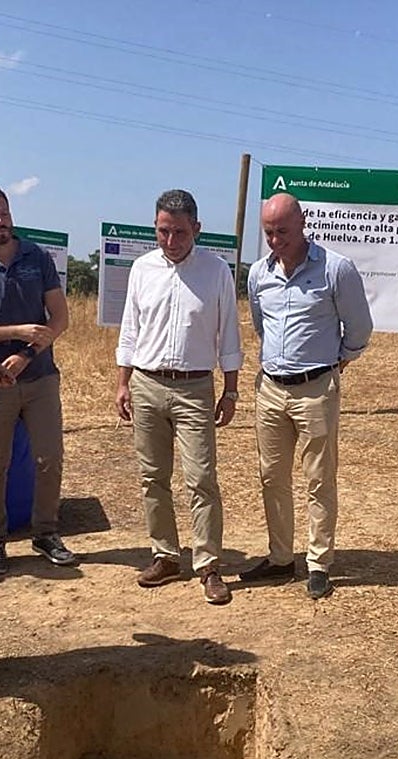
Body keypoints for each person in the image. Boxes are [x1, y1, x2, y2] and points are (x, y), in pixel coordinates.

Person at [239, 192, 373, 600]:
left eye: (282, 230)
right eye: (268, 232)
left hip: (316, 390)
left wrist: (335, 365)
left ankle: (318, 563)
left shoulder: (336, 269)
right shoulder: (258, 274)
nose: (275, 239)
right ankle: (281, 558)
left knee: (319, 478)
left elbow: (360, 331)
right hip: (271, 390)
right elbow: (262, 327)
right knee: (271, 477)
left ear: (303, 223)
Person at [115, 189, 242, 605]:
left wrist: (232, 389)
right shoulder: (142, 268)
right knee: (153, 477)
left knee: (201, 479)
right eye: (164, 231)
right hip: (147, 384)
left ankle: (208, 565)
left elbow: (228, 333)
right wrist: (122, 382)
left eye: (180, 233)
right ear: (155, 226)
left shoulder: (216, 270)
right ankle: (166, 556)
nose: (171, 241)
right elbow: (130, 330)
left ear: (197, 230)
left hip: (195, 388)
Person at [0, 185, 77, 575]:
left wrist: (28, 351)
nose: (0, 221)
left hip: (41, 375)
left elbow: (59, 318)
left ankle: (46, 532)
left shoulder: (36, 257)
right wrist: (16, 332)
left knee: (49, 458)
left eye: (4, 213)